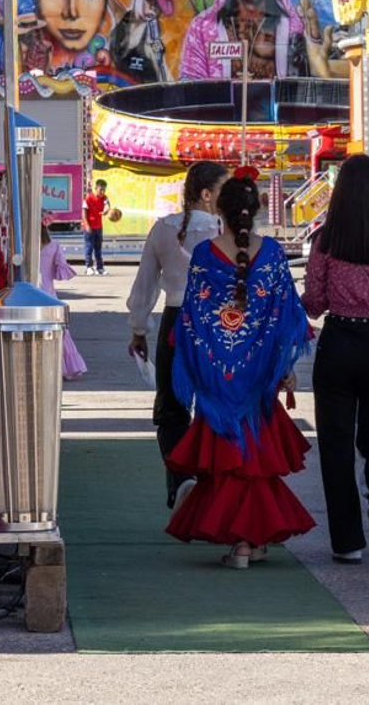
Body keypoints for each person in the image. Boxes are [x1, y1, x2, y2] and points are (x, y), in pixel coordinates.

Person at [166, 170, 315, 569]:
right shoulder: (274, 254)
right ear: (256, 211)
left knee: (228, 458)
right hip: (259, 376)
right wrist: (283, 367)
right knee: (254, 460)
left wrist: (205, 367)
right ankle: (251, 541)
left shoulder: (204, 254)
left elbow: (192, 320)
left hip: (218, 376)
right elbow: (287, 316)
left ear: (220, 210)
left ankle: (243, 544)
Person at [302, 153, 369, 563]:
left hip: (338, 342)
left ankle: (347, 542)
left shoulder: (325, 240)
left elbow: (315, 302)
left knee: (335, 442)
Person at [127, 161, 230, 508]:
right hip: (219, 326)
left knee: (171, 409)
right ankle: (212, 492)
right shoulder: (227, 231)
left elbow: (144, 287)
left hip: (175, 321)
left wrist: (139, 330)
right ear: (207, 194)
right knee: (216, 407)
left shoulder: (162, 229)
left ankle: (182, 480)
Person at [39, 225, 87, 380]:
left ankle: (44, 367)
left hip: (30, 293)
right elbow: (61, 270)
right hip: (49, 294)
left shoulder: (25, 247)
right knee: (60, 332)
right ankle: (67, 367)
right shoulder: (54, 246)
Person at [83, 179, 109, 275]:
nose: (102, 192)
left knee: (98, 248)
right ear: (95, 188)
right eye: (100, 189)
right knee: (89, 247)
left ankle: (100, 268)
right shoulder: (88, 198)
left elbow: (107, 205)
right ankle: (89, 267)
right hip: (89, 227)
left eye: (104, 190)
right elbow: (84, 213)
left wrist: (106, 211)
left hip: (98, 227)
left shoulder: (105, 198)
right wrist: (87, 225)